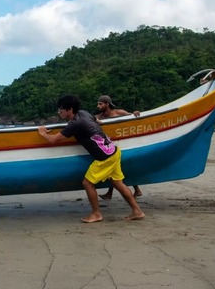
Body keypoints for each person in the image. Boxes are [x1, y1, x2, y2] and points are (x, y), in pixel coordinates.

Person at [38, 94, 144, 222]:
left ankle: (96, 214)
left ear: (70, 110)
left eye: (61, 110)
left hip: (105, 157)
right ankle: (137, 211)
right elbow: (97, 121)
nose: (59, 112)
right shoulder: (83, 113)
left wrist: (42, 132)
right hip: (114, 151)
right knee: (117, 183)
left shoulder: (74, 124)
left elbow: (54, 139)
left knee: (87, 183)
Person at [93, 94, 142, 200]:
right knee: (116, 170)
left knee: (117, 170)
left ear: (107, 104)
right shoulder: (100, 117)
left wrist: (135, 113)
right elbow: (91, 120)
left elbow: (132, 116)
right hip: (111, 145)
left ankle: (135, 190)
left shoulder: (119, 113)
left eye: (100, 104)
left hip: (122, 143)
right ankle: (134, 190)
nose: (98, 106)